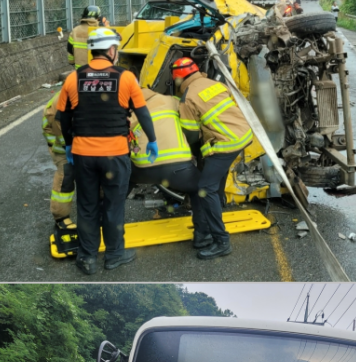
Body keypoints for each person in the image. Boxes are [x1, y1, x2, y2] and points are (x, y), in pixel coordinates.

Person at [57, 27, 158, 275]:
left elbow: (63, 117)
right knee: (113, 205)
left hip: (84, 156)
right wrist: (152, 140)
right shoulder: (125, 78)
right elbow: (143, 113)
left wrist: (70, 144)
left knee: (88, 205)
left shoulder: (73, 78)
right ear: (112, 50)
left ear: (93, 50)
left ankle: (88, 257)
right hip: (115, 156)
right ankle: (114, 255)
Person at [175, 57, 253, 259]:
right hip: (243, 134)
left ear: (178, 78)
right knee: (214, 185)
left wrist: (193, 153)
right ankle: (202, 234)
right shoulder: (214, 83)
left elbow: (191, 134)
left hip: (225, 144)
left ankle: (221, 241)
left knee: (204, 189)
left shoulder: (188, 97)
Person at [129, 88, 211, 249]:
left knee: (118, 190)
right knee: (200, 189)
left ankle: (102, 229)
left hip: (142, 167)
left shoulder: (131, 110)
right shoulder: (171, 101)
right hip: (177, 168)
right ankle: (202, 236)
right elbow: (191, 126)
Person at [42, 91, 75, 234]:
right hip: (61, 146)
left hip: (80, 143)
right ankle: (61, 218)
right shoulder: (60, 106)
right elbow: (64, 136)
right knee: (66, 176)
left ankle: (99, 207)